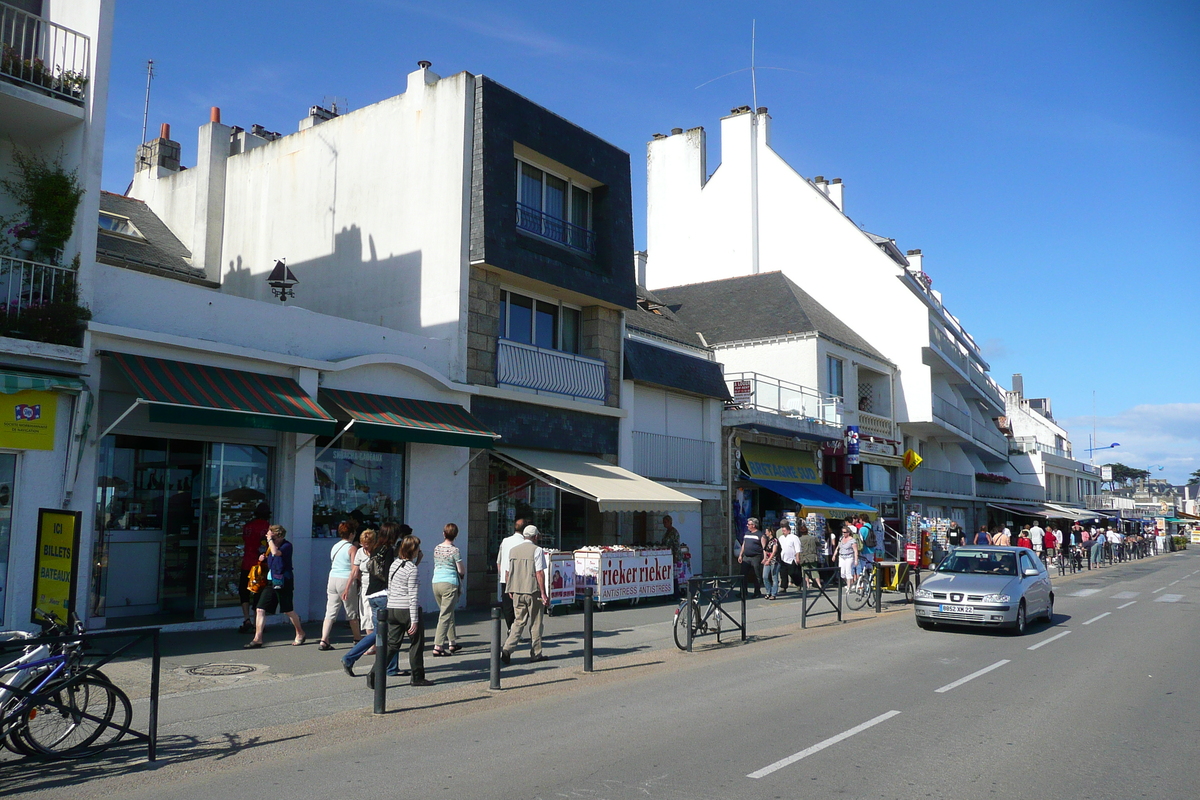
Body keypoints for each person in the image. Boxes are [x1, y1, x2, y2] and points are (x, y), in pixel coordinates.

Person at [341, 526, 397, 676]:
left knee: (382, 631)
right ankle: (350, 657)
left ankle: (391, 666)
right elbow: (388, 573)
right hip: (383, 593)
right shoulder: (388, 550)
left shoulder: (376, 550)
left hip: (371, 593)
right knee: (386, 630)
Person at [245, 524, 306, 648]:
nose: (272, 540)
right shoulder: (270, 547)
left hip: (283, 580)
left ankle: (300, 632)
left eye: (274, 537)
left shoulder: (287, 546)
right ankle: (258, 638)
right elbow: (271, 557)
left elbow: (276, 553)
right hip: (271, 580)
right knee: (260, 608)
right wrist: (263, 558)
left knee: (288, 610)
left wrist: (270, 541)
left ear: (280, 536)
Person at [501, 525, 550, 664]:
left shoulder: (513, 550)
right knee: (536, 622)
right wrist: (543, 593)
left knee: (518, 621)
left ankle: (507, 648)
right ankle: (536, 653)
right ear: (535, 537)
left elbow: (508, 571)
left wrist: (509, 588)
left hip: (517, 589)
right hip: (532, 590)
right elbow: (539, 573)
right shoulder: (537, 550)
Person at [319, 521, 362, 650]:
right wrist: (357, 582)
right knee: (351, 611)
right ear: (352, 534)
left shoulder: (335, 546)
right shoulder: (352, 548)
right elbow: (354, 569)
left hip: (332, 578)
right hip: (345, 579)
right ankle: (357, 638)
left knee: (330, 611)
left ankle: (324, 639)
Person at [431, 523, 465, 657]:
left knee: (447, 611)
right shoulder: (455, 550)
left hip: (436, 582)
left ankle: (452, 642)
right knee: (445, 615)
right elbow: (461, 569)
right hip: (449, 583)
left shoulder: (437, 548)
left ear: (444, 533)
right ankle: (438, 646)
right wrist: (461, 576)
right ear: (455, 535)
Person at [239, 503, 271, 633]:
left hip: (247, 562)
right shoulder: (267, 528)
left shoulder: (248, 526)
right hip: (260, 565)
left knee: (244, 591)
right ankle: (256, 621)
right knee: (258, 593)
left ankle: (246, 619)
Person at [497, 518, 526, 631]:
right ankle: (516, 630)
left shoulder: (505, 541)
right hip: (520, 579)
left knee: (507, 606)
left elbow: (499, 561)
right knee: (520, 606)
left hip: (505, 578)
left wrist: (501, 575)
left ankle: (510, 628)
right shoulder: (524, 543)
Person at [737, 517, 765, 598]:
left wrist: (765, 558)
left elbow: (764, 547)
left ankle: (757, 592)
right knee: (743, 575)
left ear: (754, 525)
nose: (747, 525)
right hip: (746, 557)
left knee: (757, 575)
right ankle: (743, 592)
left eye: (749, 524)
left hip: (756, 557)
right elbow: (744, 545)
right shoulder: (747, 534)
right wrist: (740, 555)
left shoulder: (760, 535)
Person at [777, 520, 802, 594]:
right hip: (783, 558)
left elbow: (798, 548)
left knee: (793, 573)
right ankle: (783, 587)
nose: (783, 532)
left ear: (788, 531)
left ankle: (798, 583)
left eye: (784, 530)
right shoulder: (781, 538)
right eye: (782, 530)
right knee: (783, 574)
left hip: (792, 558)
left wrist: (797, 557)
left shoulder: (794, 537)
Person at [761, 523, 780, 600]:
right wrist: (765, 558)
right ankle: (768, 591)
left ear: (770, 532)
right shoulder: (768, 540)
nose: (766, 533)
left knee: (774, 577)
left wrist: (769, 560)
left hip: (774, 561)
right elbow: (765, 550)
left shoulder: (775, 540)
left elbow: (774, 551)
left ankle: (773, 593)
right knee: (765, 576)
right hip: (767, 560)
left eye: (767, 531)